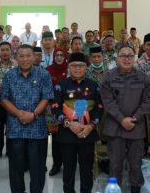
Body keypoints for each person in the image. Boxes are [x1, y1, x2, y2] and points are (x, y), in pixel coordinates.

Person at [0, 45, 53, 193]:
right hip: (15, 129)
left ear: (34, 57)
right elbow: (3, 98)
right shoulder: (9, 75)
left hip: (37, 129)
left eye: (28, 55)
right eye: (21, 56)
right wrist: (18, 113)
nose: (25, 59)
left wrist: (33, 115)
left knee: (37, 169)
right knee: (16, 169)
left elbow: (46, 97)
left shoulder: (43, 75)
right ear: (16, 58)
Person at [101, 46, 150, 193]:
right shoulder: (109, 77)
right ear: (117, 58)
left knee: (136, 164)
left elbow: (148, 101)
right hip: (115, 128)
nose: (126, 59)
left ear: (135, 58)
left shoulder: (143, 78)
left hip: (136, 128)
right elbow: (107, 101)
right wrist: (121, 119)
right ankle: (114, 189)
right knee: (115, 164)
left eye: (130, 56)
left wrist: (134, 118)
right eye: (123, 56)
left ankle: (135, 189)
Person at [52, 52, 103, 193]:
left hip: (87, 134)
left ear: (86, 67)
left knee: (87, 169)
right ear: (69, 67)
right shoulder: (61, 86)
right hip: (67, 134)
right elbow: (55, 108)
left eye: (81, 66)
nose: (78, 69)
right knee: (68, 170)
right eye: (74, 66)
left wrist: (90, 126)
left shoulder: (94, 85)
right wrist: (69, 124)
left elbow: (99, 108)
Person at [46, 48, 69, 176]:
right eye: (56, 55)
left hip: (68, 108)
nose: (59, 57)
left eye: (61, 55)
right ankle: (56, 164)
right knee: (55, 139)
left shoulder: (69, 69)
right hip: (52, 109)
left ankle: (68, 164)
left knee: (68, 137)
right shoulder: (48, 71)